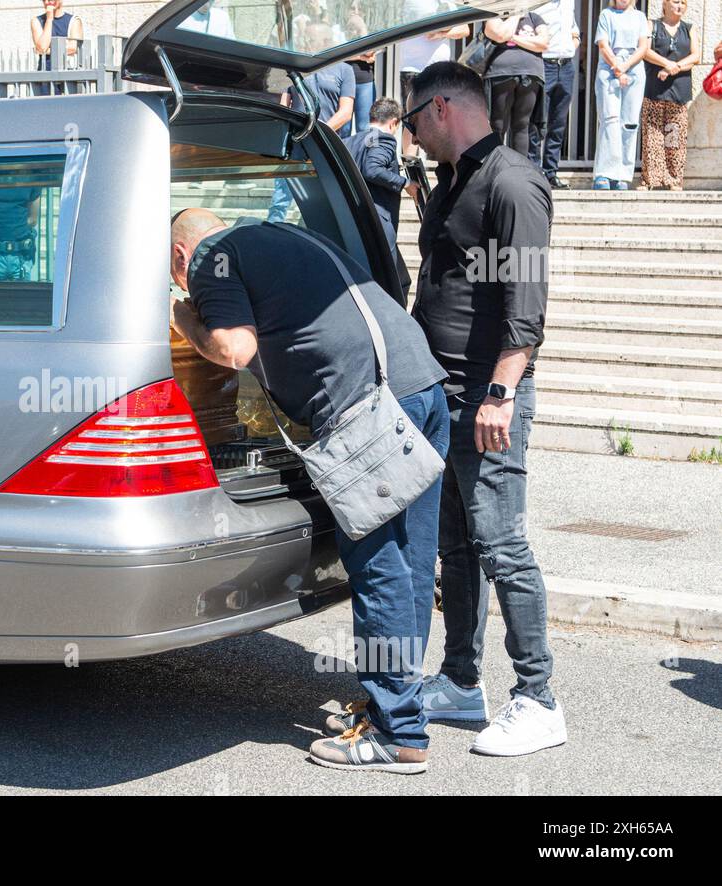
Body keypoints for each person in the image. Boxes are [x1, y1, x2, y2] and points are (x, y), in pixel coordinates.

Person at [168, 208, 448, 774]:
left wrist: (185, 320)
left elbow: (234, 350)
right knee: (414, 564)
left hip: (366, 410)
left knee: (380, 568)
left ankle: (399, 734)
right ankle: (395, 706)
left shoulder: (207, 258)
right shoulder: (276, 234)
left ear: (179, 256)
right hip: (420, 385)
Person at [404, 61, 567, 757]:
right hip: (444, 396)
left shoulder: (511, 182)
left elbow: (526, 306)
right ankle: (462, 682)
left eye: (413, 122)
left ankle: (538, 698)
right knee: (457, 547)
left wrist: (500, 392)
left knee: (502, 546)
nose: (410, 136)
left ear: (441, 108)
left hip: (486, 395)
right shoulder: (452, 182)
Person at [269, 22, 355, 222]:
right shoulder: (293, 68)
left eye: (310, 38)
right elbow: (284, 106)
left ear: (326, 41)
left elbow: (345, 112)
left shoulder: (344, 70)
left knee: (324, 199)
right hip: (295, 144)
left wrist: (317, 132)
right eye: (304, 38)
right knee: (280, 200)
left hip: (326, 145)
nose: (305, 42)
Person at [344, 98, 416, 304]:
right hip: (379, 222)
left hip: (358, 223)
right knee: (393, 285)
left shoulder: (353, 140)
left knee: (400, 280)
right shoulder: (384, 139)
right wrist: (406, 183)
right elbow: (373, 169)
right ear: (393, 122)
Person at [640, 0, 700, 191]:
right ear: (665, 4)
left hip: (679, 89)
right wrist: (667, 63)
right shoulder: (653, 25)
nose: (680, 6)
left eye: (683, 3)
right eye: (675, 1)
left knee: (675, 135)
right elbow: (645, 51)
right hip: (655, 88)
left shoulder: (689, 28)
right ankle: (651, 180)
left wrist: (675, 68)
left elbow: (696, 56)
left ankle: (674, 179)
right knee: (652, 135)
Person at [398, 1, 471, 154]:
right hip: (414, 70)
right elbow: (429, 30)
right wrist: (444, 29)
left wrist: (442, 33)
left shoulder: (447, 3)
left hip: (440, 71)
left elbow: (464, 29)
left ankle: (438, 159)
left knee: (441, 117)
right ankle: (410, 163)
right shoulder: (415, 4)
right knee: (413, 120)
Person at [592, 0, 651, 190]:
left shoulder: (640, 17)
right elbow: (603, 44)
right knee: (610, 120)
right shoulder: (605, 15)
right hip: (609, 68)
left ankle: (623, 175)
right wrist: (617, 67)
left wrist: (625, 67)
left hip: (633, 69)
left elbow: (643, 48)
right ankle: (604, 173)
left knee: (629, 123)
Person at [483, 12, 550, 157]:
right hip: (501, 74)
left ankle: (517, 171)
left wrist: (512, 37)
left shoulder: (534, 17)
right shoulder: (496, 14)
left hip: (530, 74)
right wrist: (515, 15)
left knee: (522, 125)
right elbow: (498, 35)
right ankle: (493, 168)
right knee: (497, 124)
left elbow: (543, 43)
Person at [529, 1, 581, 189]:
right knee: (537, 121)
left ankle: (551, 171)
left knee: (558, 123)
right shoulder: (537, 4)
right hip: (544, 63)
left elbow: (574, 31)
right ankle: (534, 171)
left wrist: (571, 46)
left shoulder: (568, 3)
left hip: (566, 64)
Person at [31, 0, 83, 97]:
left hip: (69, 73)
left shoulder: (74, 21)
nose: (48, 2)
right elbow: (42, 48)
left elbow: (72, 48)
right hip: (45, 74)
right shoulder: (37, 21)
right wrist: (49, 19)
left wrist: (48, 49)